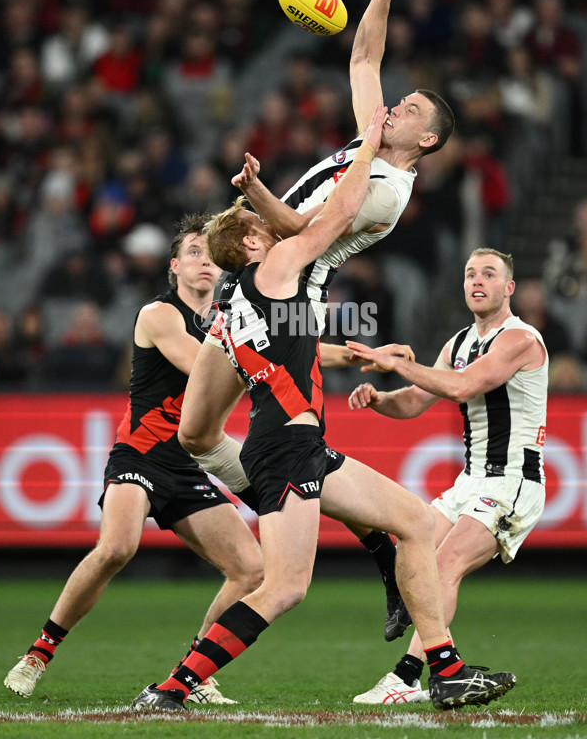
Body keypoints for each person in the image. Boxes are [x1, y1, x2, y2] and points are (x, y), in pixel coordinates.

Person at [132, 107, 516, 713]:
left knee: (414, 521)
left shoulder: (242, 312)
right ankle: (174, 687)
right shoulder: (281, 267)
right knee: (285, 586)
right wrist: (366, 150)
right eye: (259, 226)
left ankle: (443, 667)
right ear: (256, 244)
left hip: (296, 444)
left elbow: (297, 350)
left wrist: (363, 353)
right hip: (285, 445)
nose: (269, 228)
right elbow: (336, 215)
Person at [224, 0, 454, 640]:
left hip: (289, 305)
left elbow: (302, 234)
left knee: (290, 454)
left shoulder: (383, 187)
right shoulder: (370, 144)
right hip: (264, 292)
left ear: (428, 142)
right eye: (402, 100)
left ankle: (385, 545)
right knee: (204, 435)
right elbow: (363, 54)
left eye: (411, 109)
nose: (396, 106)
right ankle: (380, 543)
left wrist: (259, 196)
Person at [4, 214, 265, 705]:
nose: (204, 259)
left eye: (212, 252)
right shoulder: (158, 314)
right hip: (140, 456)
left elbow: (249, 360)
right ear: (174, 267)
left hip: (187, 464)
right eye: (193, 252)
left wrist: (339, 354)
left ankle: (194, 673)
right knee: (117, 548)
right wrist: (269, 357)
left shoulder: (229, 320)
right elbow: (205, 367)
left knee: (253, 570)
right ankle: (40, 652)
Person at [346, 247, 547, 704]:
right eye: (471, 273)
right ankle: (433, 671)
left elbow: (463, 386)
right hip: (470, 482)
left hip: (511, 482)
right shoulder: (457, 344)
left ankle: (406, 678)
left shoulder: (521, 339)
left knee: (441, 567)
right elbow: (415, 401)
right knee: (410, 556)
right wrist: (380, 398)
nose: (478, 281)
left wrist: (397, 362)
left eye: (489, 274)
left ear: (508, 288)